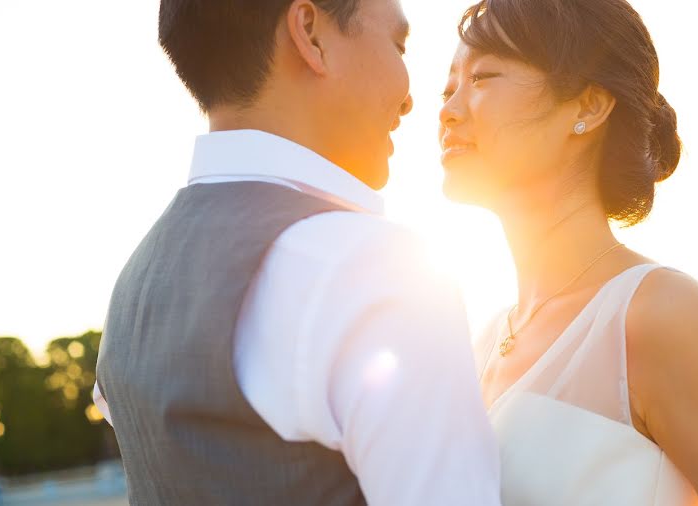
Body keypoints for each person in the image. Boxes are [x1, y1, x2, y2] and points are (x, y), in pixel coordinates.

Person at [93, 0, 501, 504]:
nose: (411, 99)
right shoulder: (372, 268)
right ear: (310, 33)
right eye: (398, 44)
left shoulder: (134, 286)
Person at [439, 0, 698, 504]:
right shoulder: (481, 343)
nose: (448, 109)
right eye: (449, 85)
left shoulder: (660, 314)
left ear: (588, 106)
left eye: (482, 77)